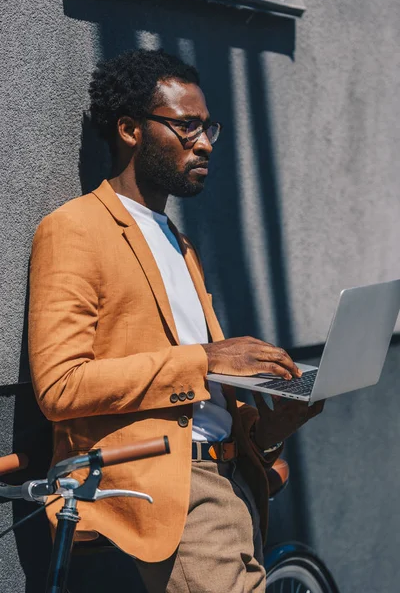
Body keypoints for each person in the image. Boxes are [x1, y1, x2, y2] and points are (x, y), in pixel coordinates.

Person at [28, 49, 323, 593]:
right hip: (172, 489)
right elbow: (60, 386)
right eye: (186, 126)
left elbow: (197, 398)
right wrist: (206, 358)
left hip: (233, 480)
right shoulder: (74, 230)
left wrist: (274, 426)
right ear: (129, 129)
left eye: (206, 126)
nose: (205, 142)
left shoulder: (176, 241)